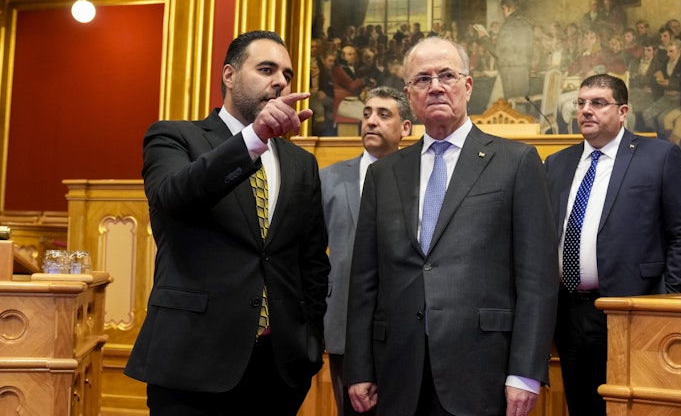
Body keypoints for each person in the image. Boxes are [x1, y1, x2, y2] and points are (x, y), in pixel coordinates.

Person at [345, 37, 558, 416]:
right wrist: (359, 367)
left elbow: (536, 280)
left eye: (447, 75)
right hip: (396, 371)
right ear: (410, 95)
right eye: (423, 79)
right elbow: (365, 280)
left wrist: (525, 373)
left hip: (482, 370)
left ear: (468, 85)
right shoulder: (384, 174)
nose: (437, 86)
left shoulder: (517, 162)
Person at [125, 30, 330, 414]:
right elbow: (174, 197)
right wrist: (255, 137)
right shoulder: (174, 136)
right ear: (229, 75)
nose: (280, 81)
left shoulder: (302, 164)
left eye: (286, 74)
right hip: (192, 362)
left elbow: (313, 261)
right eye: (266, 69)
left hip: (279, 368)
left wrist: (309, 342)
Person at [544, 74, 681, 416]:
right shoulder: (557, 163)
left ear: (623, 111)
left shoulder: (659, 156)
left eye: (598, 103)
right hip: (569, 313)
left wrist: (666, 298)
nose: (586, 110)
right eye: (581, 103)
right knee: (581, 406)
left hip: (632, 309)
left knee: (629, 408)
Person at [320, 87, 412, 416]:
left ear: (406, 128)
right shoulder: (328, 179)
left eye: (383, 115)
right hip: (344, 324)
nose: (371, 121)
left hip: (406, 330)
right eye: (367, 113)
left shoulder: (421, 180)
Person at [494, 0, 534, 101]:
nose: (502, 13)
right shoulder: (526, 23)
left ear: (510, 8)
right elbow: (530, 49)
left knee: (511, 105)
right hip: (524, 69)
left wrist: (484, 39)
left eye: (503, 9)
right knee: (521, 102)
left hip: (509, 70)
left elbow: (498, 52)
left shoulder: (508, 25)